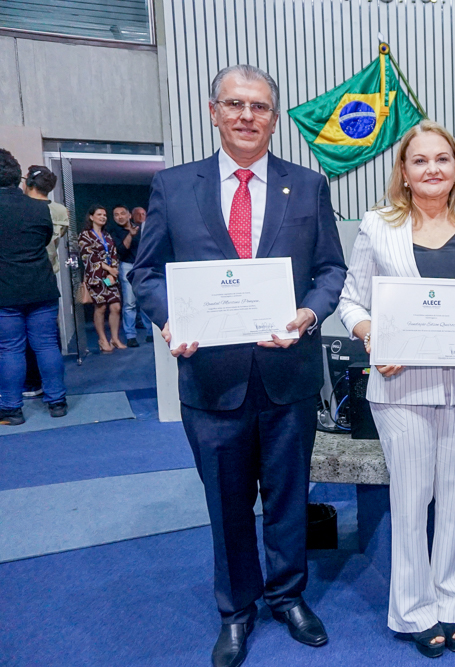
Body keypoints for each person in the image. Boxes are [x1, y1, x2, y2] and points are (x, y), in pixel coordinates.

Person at [130, 64, 347, 667]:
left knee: (286, 495)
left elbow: (331, 268)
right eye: (235, 105)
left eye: (259, 107)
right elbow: (146, 272)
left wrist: (308, 314)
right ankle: (236, 610)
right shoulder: (174, 186)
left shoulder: (307, 185)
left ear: (275, 118)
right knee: (225, 503)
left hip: (288, 375)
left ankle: (288, 594)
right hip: (210, 379)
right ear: (213, 111)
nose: (247, 116)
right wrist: (170, 320)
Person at [338, 119, 455, 658]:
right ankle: (414, 610)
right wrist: (373, 337)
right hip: (400, 388)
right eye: (420, 160)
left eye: (442, 159)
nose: (432, 168)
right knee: (411, 503)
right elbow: (350, 303)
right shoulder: (377, 226)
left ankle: (452, 604)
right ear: (404, 172)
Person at [0, 149, 68, 425]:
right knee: (47, 346)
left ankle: (11, 409)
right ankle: (58, 403)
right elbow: (44, 242)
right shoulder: (42, 209)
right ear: (18, 177)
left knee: (10, 350)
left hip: (6, 291)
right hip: (42, 287)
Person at [23, 165, 69, 397]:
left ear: (29, 183)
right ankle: (54, 392)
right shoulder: (59, 210)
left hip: (17, 276)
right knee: (48, 336)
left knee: (16, 338)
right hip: (47, 274)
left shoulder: (22, 209)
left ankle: (31, 383)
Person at [79, 204, 126, 353]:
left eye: (104, 215)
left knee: (116, 307)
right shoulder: (85, 236)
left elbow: (113, 254)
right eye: (99, 214)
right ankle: (102, 339)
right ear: (91, 217)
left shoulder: (107, 236)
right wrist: (108, 269)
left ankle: (115, 338)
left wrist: (113, 273)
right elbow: (89, 257)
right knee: (101, 307)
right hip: (96, 278)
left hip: (110, 278)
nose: (102, 217)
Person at [107, 204, 152, 346]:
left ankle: (151, 333)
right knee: (129, 303)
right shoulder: (114, 232)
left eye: (122, 213)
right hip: (126, 266)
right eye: (116, 214)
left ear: (129, 215)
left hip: (143, 266)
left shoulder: (141, 228)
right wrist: (130, 235)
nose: (120, 217)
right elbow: (121, 251)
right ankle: (131, 336)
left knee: (145, 301)